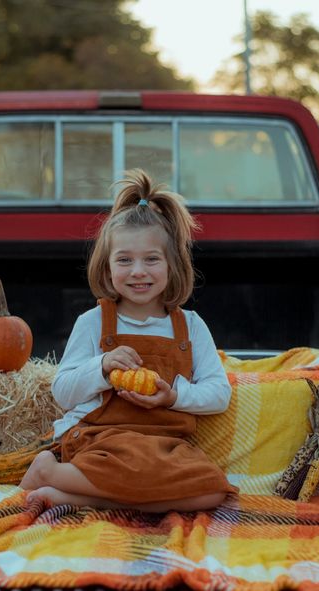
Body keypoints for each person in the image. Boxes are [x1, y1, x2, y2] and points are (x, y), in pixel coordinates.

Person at [20, 169, 237, 512]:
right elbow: (62, 392)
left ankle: (67, 489)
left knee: (212, 492)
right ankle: (60, 473)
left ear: (172, 266)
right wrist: (102, 367)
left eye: (151, 259)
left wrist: (174, 396)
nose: (138, 271)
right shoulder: (93, 323)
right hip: (102, 442)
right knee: (130, 470)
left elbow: (219, 394)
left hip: (165, 445)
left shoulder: (190, 327)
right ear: (107, 269)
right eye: (125, 260)